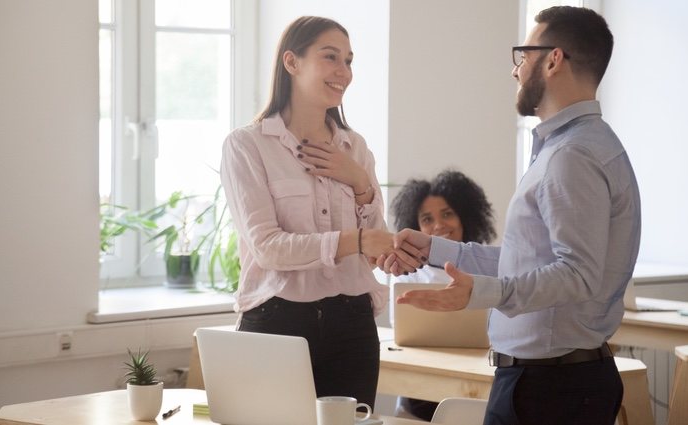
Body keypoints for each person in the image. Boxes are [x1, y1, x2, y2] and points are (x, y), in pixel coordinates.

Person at [383, 7, 641, 425]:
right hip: (548, 381)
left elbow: (577, 274)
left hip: (551, 388)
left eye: (523, 55)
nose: (516, 70)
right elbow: (527, 261)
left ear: (553, 59)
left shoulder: (572, 155)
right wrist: (433, 249)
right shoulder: (572, 147)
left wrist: (481, 293)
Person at [220, 16, 419, 408]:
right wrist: (356, 240)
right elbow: (268, 248)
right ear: (291, 63)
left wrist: (360, 182)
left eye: (349, 61)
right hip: (277, 325)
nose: (343, 72)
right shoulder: (247, 146)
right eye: (331, 57)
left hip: (353, 325)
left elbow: (375, 249)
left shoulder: (356, 149)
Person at [390, 169, 496, 421]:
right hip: (419, 384)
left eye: (447, 214)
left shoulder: (489, 265)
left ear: (465, 217)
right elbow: (401, 328)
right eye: (427, 219)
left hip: (476, 378)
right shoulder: (407, 273)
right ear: (416, 226)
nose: (438, 225)